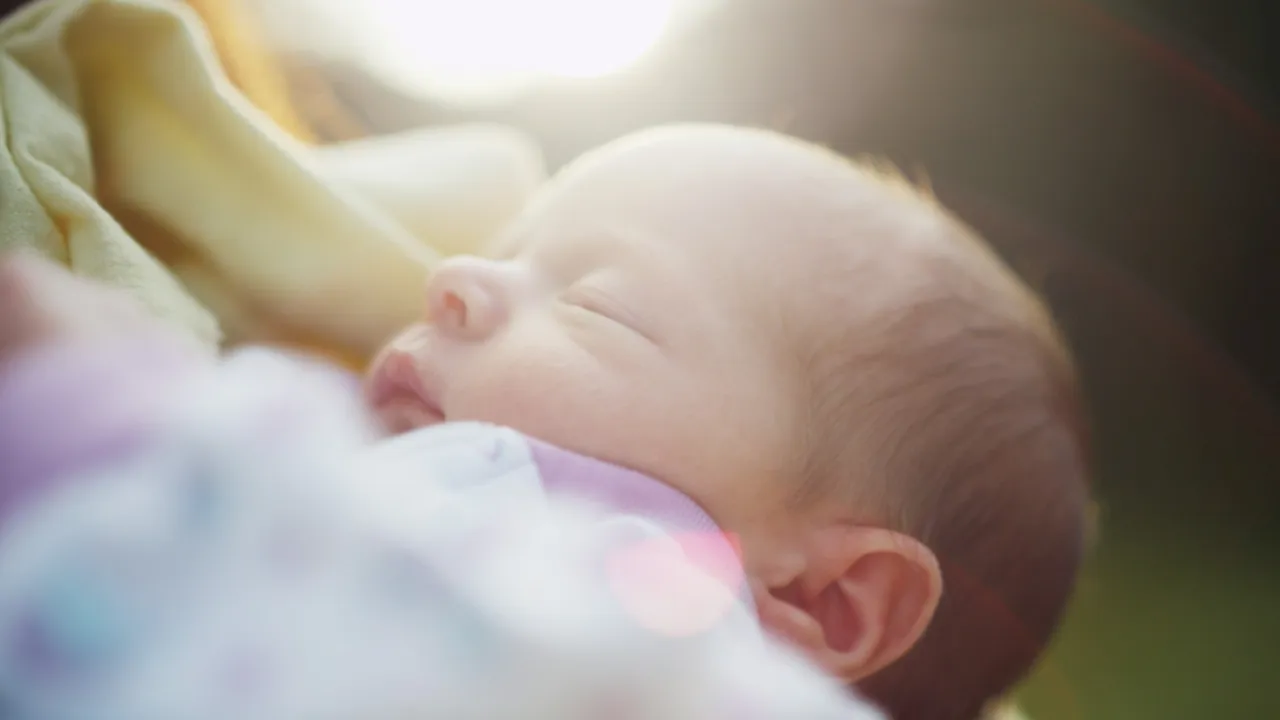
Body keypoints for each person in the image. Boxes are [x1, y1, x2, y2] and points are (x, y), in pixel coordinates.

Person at [0, 124, 1089, 720]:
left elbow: (386, 625)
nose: (453, 280)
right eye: (505, 252)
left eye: (595, 304)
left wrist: (105, 413)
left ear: (822, 599)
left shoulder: (655, 605)